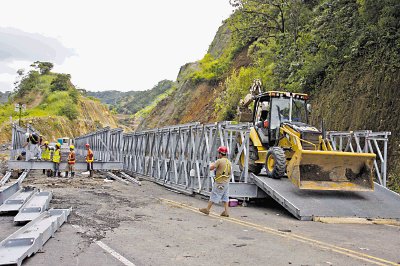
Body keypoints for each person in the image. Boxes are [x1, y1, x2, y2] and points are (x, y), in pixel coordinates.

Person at [199, 146, 232, 217]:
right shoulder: (229, 162)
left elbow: (211, 168)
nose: (218, 154)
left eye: (218, 153)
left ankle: (207, 209)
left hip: (219, 182)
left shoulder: (219, 161)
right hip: (226, 183)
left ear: (220, 153)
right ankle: (226, 212)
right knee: (225, 197)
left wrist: (211, 165)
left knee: (214, 195)